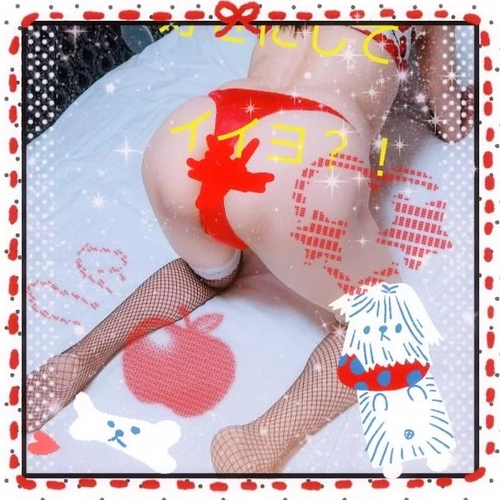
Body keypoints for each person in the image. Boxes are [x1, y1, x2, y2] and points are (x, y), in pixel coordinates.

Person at [25, 23, 474, 473]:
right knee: (383, 324)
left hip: (198, 130)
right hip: (309, 140)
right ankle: (257, 443)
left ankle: (75, 360)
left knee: (208, 275)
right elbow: (449, 119)